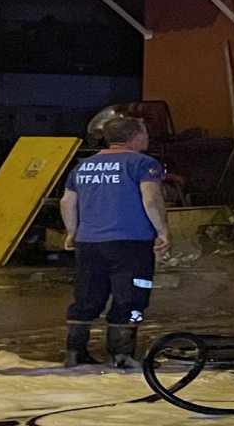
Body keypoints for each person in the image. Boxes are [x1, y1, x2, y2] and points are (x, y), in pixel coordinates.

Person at [60, 116, 170, 370]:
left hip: (89, 243)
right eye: (145, 133)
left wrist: (72, 232)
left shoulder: (83, 166)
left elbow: (67, 202)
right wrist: (162, 231)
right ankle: (122, 356)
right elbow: (151, 200)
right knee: (130, 298)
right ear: (137, 137)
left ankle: (75, 353)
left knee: (87, 298)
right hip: (131, 243)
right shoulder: (143, 164)